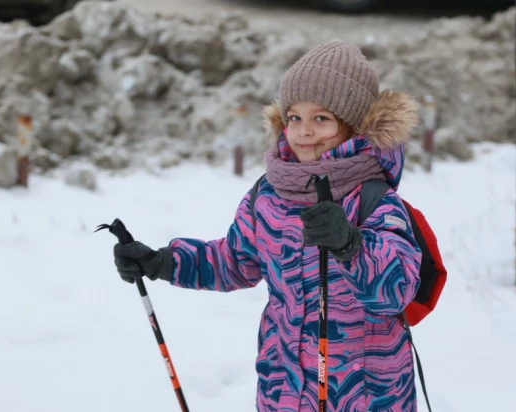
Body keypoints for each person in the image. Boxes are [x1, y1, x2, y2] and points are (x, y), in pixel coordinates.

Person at [113, 41, 422, 412]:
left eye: (322, 118)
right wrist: (163, 262)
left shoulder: (374, 199)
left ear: (355, 125)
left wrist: (350, 245)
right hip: (284, 391)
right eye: (294, 117)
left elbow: (398, 288)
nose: (305, 131)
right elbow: (234, 261)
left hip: (368, 395)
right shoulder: (270, 194)